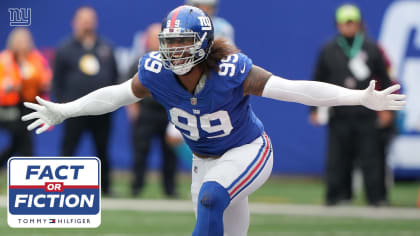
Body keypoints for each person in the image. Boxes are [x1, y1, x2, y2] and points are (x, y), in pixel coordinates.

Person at [23, 5, 405, 235]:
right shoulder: (157, 72)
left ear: (203, 43)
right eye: (168, 43)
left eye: (181, 43)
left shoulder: (232, 69)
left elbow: (295, 90)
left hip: (248, 150)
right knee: (217, 216)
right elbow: (115, 95)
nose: (173, 51)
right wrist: (65, 109)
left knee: (210, 200)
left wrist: (359, 97)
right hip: (204, 163)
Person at [309, 4, 395, 206]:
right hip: (339, 112)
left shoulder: (371, 48)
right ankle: (337, 195)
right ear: (338, 24)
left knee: (372, 157)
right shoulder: (328, 49)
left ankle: (377, 197)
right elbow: (317, 79)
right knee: (338, 158)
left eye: (351, 22)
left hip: (368, 112)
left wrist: (386, 108)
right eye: (344, 23)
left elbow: (385, 78)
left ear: (358, 23)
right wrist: (314, 109)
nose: (348, 27)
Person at [52, 6, 118, 195]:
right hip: (74, 110)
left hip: (101, 110)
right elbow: (57, 81)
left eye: (90, 19)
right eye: (83, 20)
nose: (87, 23)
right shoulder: (65, 49)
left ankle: (105, 187)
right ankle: (60, 186)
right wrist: (63, 105)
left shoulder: (106, 47)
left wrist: (111, 104)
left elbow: (115, 77)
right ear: (75, 22)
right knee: (68, 148)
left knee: (103, 149)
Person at [126, 23, 177, 197]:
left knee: (170, 153)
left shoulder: (173, 61)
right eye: (153, 38)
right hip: (146, 112)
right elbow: (126, 86)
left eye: (159, 38)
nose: (156, 41)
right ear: (147, 40)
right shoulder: (140, 61)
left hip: (168, 112)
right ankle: (136, 187)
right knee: (140, 151)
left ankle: (170, 189)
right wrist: (132, 108)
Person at [0, 27, 51, 166]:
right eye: (20, 40)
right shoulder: (5, 59)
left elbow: (44, 77)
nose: (23, 43)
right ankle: (31, 168)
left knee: (18, 142)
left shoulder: (35, 58)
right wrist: (10, 86)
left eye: (26, 40)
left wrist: (45, 83)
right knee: (24, 140)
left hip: (29, 104)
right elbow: (3, 83)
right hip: (9, 107)